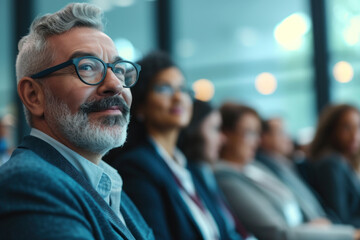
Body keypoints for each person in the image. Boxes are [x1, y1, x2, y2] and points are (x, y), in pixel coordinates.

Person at [0, 3, 154, 240]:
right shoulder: (29, 183)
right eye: (87, 67)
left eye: (118, 70)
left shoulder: (109, 186)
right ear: (34, 96)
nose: (114, 84)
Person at [108, 51, 232, 240]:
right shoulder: (136, 166)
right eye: (164, 89)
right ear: (140, 106)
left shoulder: (189, 167)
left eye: (182, 89)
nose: (178, 97)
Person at [214, 102, 360, 240]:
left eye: (257, 133)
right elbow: (278, 232)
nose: (257, 141)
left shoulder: (255, 167)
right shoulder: (226, 178)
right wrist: (349, 235)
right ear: (225, 135)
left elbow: (296, 202)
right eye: (249, 132)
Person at [179, 99, 250, 240]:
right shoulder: (190, 176)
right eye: (215, 129)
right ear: (194, 131)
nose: (223, 139)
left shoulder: (204, 172)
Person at [256, 118, 338, 223]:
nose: (288, 137)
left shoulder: (288, 165)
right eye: (281, 133)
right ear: (264, 138)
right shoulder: (266, 170)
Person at [308, 104, 360, 227]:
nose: (354, 136)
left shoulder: (344, 161)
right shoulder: (331, 164)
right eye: (347, 128)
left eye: (357, 127)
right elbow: (340, 219)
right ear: (331, 131)